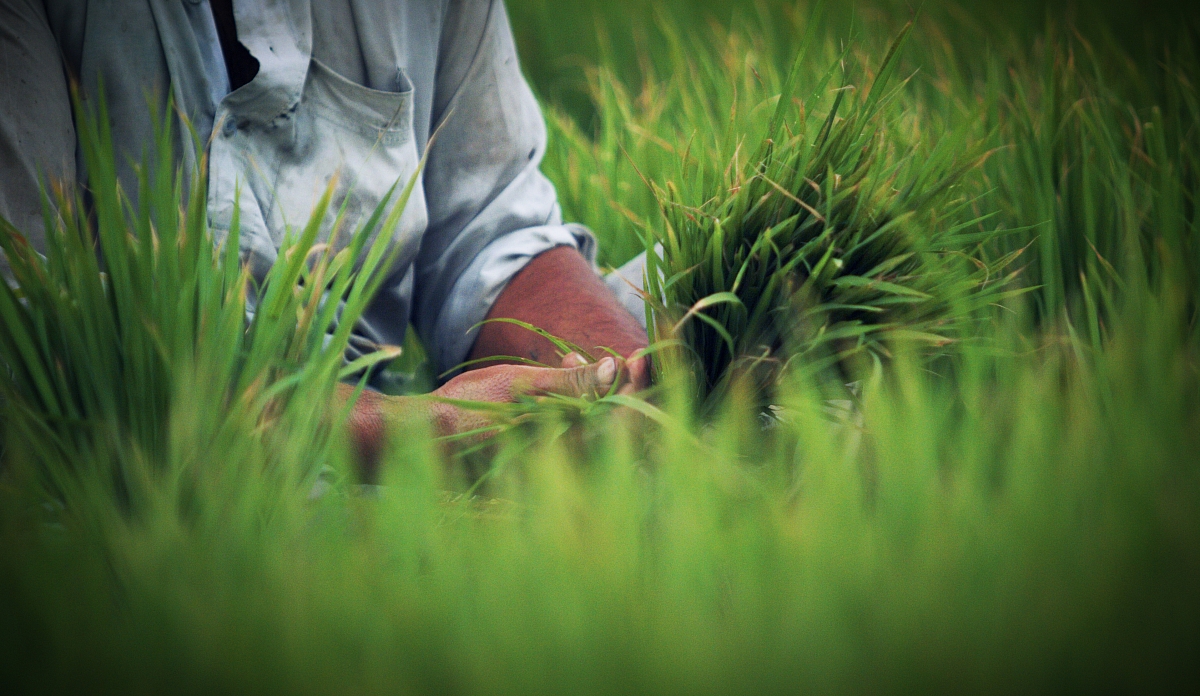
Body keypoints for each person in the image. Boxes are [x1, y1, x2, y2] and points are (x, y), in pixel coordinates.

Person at [0, 0, 650, 469]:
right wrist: (422, 429)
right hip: (121, 504)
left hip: (395, 437)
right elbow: (34, 334)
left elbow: (490, 227)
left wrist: (625, 380)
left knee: (693, 314)